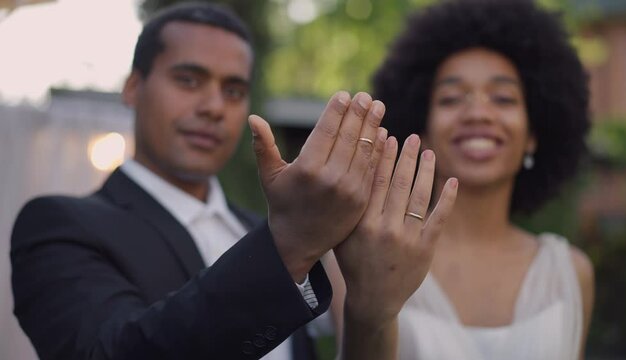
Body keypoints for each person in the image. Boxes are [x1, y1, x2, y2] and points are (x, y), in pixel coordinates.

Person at [10, 2, 458, 360]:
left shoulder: (261, 231)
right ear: (132, 88)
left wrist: (372, 310)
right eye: (188, 80)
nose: (213, 106)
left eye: (233, 90)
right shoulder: (59, 224)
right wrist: (290, 244)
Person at [328, 0, 596, 359]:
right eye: (452, 98)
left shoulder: (570, 273)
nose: (478, 113)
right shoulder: (363, 254)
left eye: (502, 98)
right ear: (421, 130)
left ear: (534, 133)